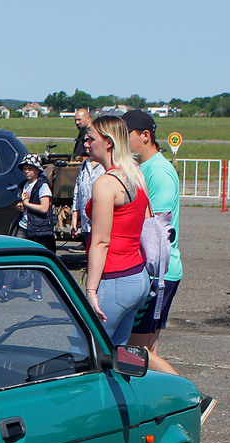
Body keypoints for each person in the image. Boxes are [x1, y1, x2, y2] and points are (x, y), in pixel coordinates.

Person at [122, 110, 183, 376]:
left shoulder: (158, 172)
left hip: (157, 272)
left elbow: (155, 228)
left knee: (135, 351)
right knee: (149, 346)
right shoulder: (144, 168)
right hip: (159, 272)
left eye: (126, 136)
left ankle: (190, 397)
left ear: (145, 136)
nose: (121, 142)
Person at [82, 115, 150, 346]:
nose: (86, 143)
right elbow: (146, 221)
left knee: (87, 349)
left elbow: (101, 242)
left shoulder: (106, 183)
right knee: (118, 352)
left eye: (91, 139)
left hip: (114, 278)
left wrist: (91, 289)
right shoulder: (135, 174)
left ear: (108, 142)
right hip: (137, 275)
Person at [0, 154, 52, 301]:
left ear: (38, 170)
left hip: (38, 229)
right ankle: (6, 287)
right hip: (24, 225)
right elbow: (24, 204)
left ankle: (37, 290)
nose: (27, 172)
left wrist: (27, 204)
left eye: (30, 169)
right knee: (16, 255)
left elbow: (44, 208)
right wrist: (21, 206)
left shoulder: (42, 186)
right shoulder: (24, 184)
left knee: (35, 260)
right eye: (25, 169)